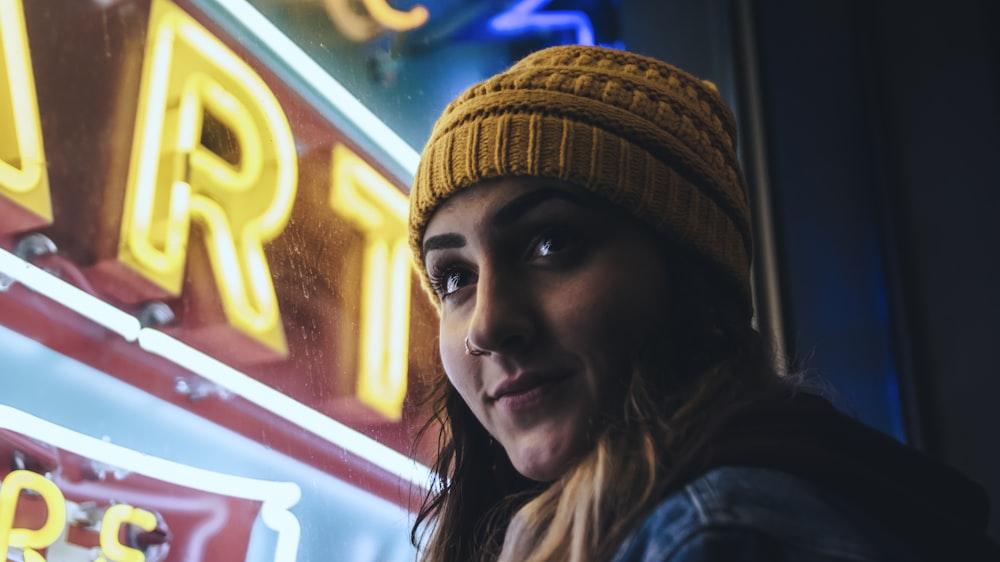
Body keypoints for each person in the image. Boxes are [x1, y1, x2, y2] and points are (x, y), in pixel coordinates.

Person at [405, 45, 999, 562]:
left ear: (688, 272)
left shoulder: (712, 534)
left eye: (551, 243)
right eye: (454, 278)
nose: (486, 324)